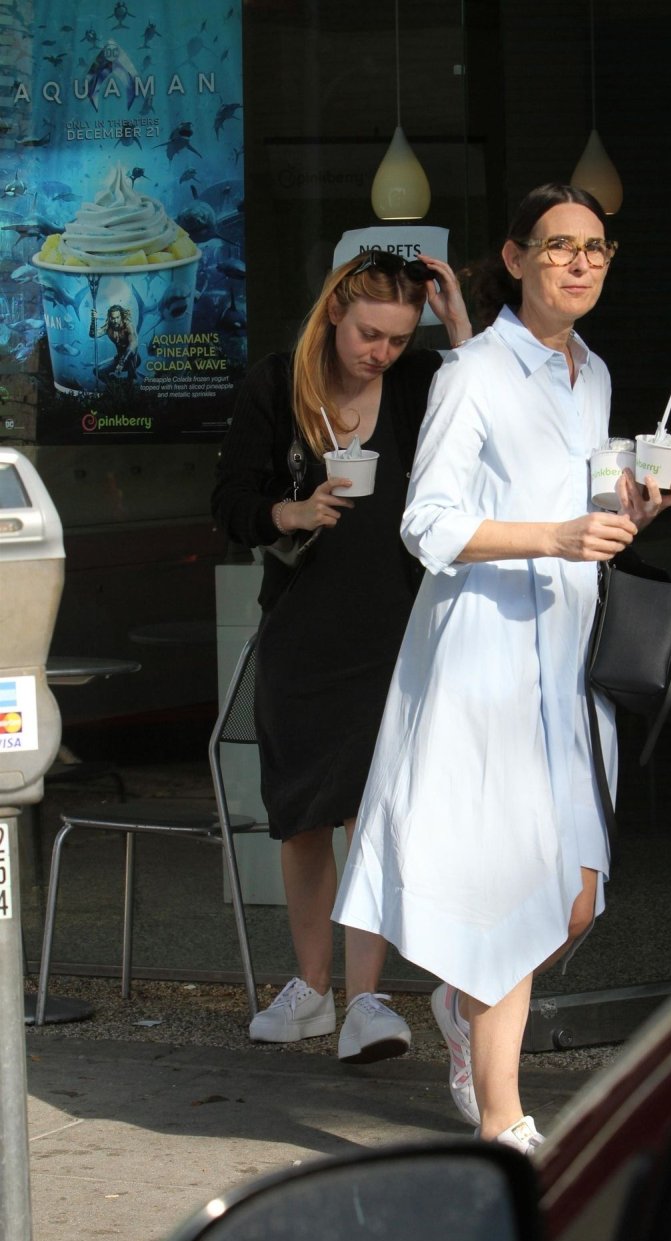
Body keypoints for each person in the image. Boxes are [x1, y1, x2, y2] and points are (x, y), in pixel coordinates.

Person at [332, 183, 671, 1152]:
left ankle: (456, 1004)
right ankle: (503, 1118)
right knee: (510, 892)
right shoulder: (473, 372)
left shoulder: (592, 372)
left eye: (595, 249)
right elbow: (426, 523)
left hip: (570, 648)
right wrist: (553, 536)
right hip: (484, 651)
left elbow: (585, 504)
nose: (580, 263)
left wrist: (630, 507)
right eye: (559, 246)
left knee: (574, 896)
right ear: (516, 258)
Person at [211, 249, 472, 1063]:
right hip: (301, 629)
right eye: (369, 335)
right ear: (335, 312)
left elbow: (489, 413)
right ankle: (310, 989)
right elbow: (228, 502)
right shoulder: (277, 383)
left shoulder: (423, 379)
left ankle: (366, 998)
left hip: (397, 627)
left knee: (372, 816)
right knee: (302, 819)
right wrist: (290, 512)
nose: (381, 353)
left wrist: (458, 323)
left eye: (397, 338)